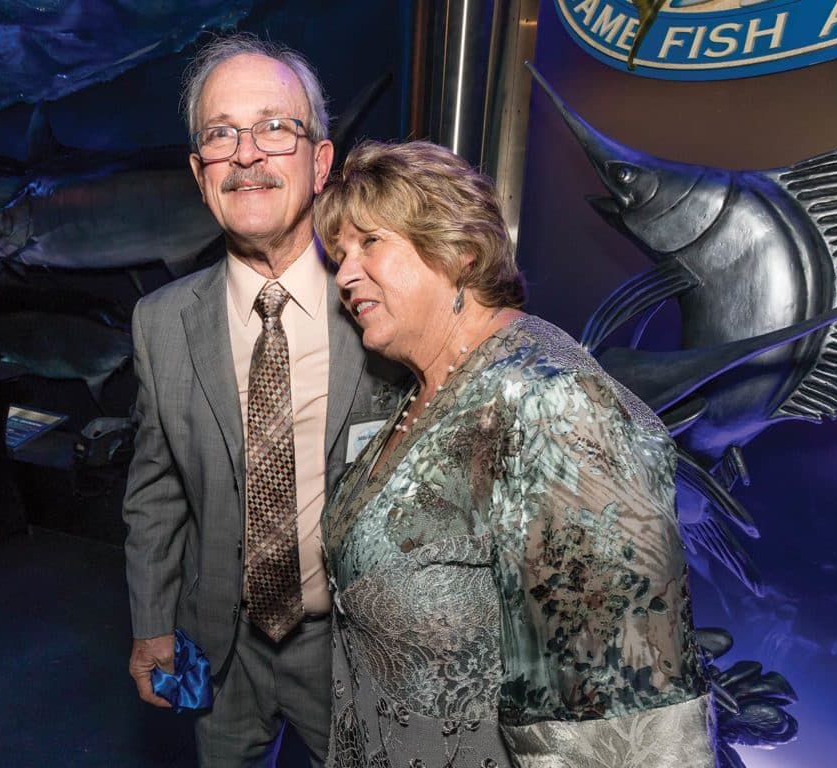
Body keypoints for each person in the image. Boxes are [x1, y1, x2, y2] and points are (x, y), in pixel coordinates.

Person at [313, 140, 716, 767]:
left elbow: (624, 725)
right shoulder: (426, 386)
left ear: (459, 250)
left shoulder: (551, 404)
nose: (343, 275)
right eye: (339, 255)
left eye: (369, 243)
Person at [122, 35, 403, 768]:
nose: (247, 154)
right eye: (221, 134)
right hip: (220, 645)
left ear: (319, 162)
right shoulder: (160, 322)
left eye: (276, 127)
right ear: (199, 173)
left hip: (355, 649)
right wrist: (151, 623)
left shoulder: (388, 305)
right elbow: (155, 491)